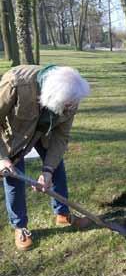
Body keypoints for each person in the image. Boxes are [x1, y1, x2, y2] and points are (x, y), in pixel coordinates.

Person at [0, 64, 91, 251]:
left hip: (44, 132)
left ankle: (62, 214)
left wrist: (47, 171)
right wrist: (2, 157)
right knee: (14, 173)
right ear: (51, 97)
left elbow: (61, 137)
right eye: (67, 106)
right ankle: (20, 226)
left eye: (73, 105)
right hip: (14, 135)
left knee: (56, 166)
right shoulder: (15, 84)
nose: (72, 108)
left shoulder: (71, 93)